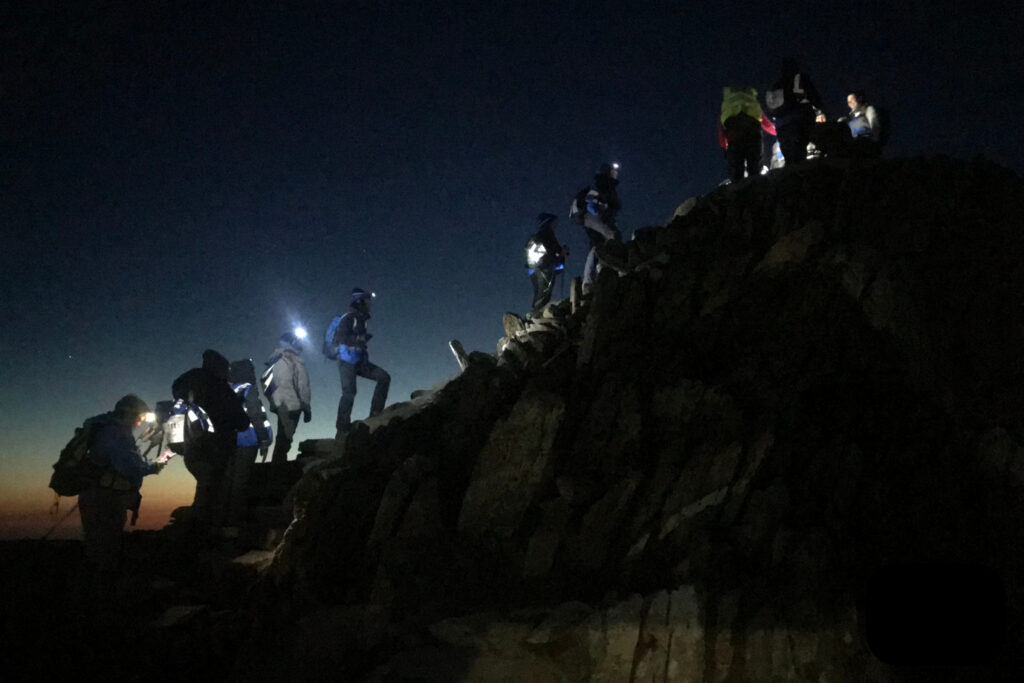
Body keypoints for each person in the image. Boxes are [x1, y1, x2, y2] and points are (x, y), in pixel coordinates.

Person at [77, 394, 163, 603]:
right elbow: (129, 465)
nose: (140, 422)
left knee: (97, 545)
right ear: (129, 414)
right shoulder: (116, 433)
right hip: (104, 498)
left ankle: (94, 595)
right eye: (140, 417)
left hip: (95, 495)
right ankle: (102, 601)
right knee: (106, 548)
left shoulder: (108, 429)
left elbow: (123, 458)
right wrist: (153, 466)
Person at [172, 349, 249, 532]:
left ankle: (196, 534)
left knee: (203, 488)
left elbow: (178, 391)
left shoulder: (189, 382)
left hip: (192, 450)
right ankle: (206, 537)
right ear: (221, 368)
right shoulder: (222, 389)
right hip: (217, 451)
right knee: (213, 494)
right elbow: (243, 423)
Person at [327, 288, 390, 437]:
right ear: (360, 301)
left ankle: (376, 413)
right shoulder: (349, 317)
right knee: (349, 392)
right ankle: (342, 430)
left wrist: (361, 340)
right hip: (346, 360)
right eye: (367, 301)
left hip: (359, 361)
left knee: (384, 377)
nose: (370, 304)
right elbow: (340, 338)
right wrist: (359, 339)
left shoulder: (361, 319)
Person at [224, 358, 273, 530]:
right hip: (247, 442)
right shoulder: (248, 389)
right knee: (241, 483)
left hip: (228, 443)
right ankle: (235, 525)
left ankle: (222, 523)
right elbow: (256, 416)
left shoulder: (226, 391)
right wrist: (264, 440)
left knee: (228, 482)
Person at [764, 60, 823, 167]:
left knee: (789, 157)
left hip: (781, 126)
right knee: (799, 156)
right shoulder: (800, 79)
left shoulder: (776, 85)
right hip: (799, 122)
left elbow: (770, 109)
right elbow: (816, 99)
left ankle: (790, 179)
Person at [264, 332, 311, 464]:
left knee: (285, 441)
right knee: (284, 442)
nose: (300, 343)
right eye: (297, 340)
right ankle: (278, 476)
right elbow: (284, 385)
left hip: (291, 406)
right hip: (289, 406)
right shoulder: (284, 359)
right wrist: (290, 407)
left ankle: (279, 472)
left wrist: (306, 407)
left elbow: (301, 386)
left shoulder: (292, 359)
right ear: (291, 342)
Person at [717, 86, 777, 182]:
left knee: (737, 170)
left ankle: (739, 192)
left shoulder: (728, 107)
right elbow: (766, 123)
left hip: (735, 138)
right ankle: (756, 191)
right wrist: (778, 131)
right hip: (754, 136)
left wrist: (725, 145)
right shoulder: (751, 104)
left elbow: (721, 131)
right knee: (754, 167)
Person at [581, 162, 621, 291]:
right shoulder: (601, 186)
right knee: (610, 238)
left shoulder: (607, 187)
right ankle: (590, 280)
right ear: (607, 173)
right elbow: (590, 204)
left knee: (600, 244)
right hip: (594, 220)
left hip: (596, 221)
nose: (616, 174)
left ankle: (596, 276)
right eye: (613, 172)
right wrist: (600, 214)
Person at [525, 213, 568, 312]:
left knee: (539, 292)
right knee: (544, 293)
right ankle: (535, 314)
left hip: (533, 268)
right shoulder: (547, 234)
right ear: (548, 222)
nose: (555, 226)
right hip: (544, 267)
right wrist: (562, 252)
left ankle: (533, 315)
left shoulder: (538, 235)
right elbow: (555, 250)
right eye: (554, 223)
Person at [840, 90, 882, 158]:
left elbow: (875, 126)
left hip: (865, 147)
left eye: (852, 100)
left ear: (860, 99)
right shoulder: (849, 119)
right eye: (848, 102)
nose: (850, 103)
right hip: (852, 149)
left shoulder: (868, 110)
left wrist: (873, 145)